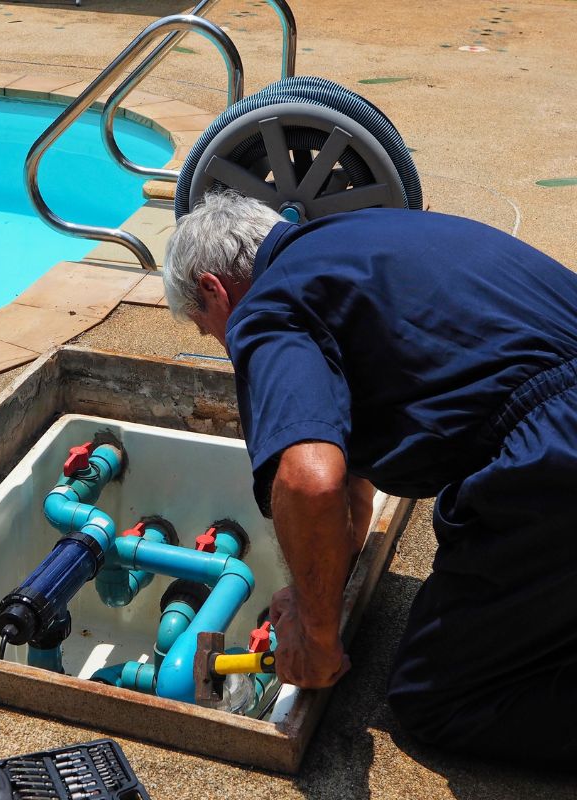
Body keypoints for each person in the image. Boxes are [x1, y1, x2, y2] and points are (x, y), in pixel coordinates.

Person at [162, 191, 577, 767]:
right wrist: (311, 591)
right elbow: (350, 485)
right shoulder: (360, 239)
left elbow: (310, 481)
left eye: (210, 332)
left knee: (439, 695)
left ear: (213, 289)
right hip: (558, 420)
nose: (227, 350)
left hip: (559, 452)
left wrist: (318, 635)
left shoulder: (268, 307)